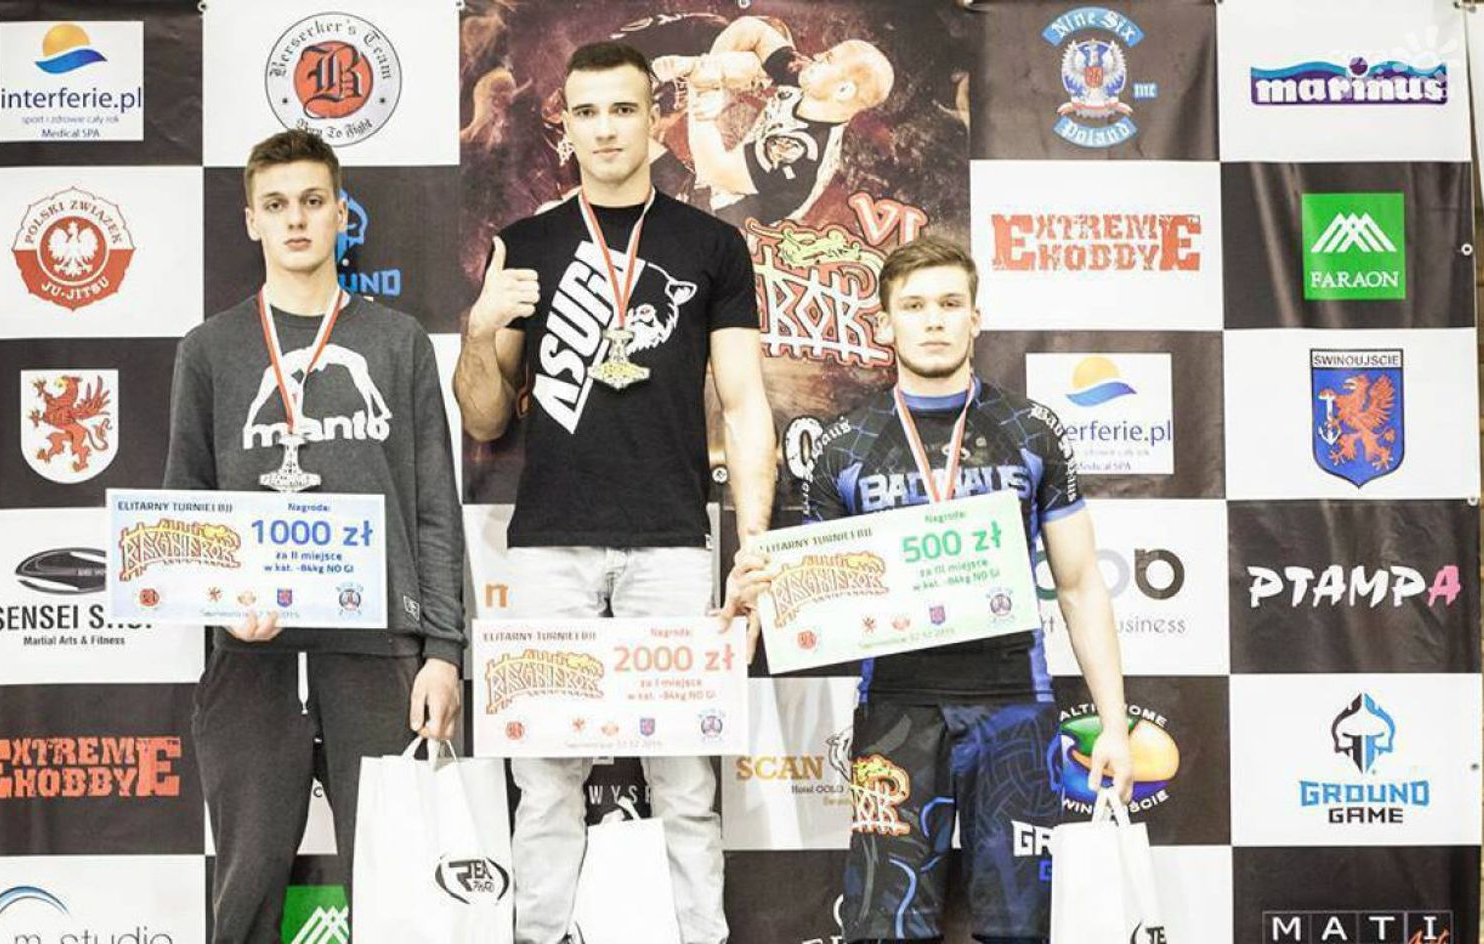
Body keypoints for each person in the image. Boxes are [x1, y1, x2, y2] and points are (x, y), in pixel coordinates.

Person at [452, 41, 775, 944]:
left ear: (655, 118)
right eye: (586, 112)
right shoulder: (526, 245)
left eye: (623, 109)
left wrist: (752, 547)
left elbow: (746, 405)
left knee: (685, 778)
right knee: (545, 776)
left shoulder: (712, 245)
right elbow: (484, 417)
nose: (604, 129)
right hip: (550, 543)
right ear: (566, 124)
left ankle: (699, 936)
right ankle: (538, 936)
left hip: (672, 540)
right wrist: (479, 330)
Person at [733, 236, 1134, 943]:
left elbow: (1079, 586)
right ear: (885, 324)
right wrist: (758, 590)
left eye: (950, 304)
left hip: (1014, 707)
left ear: (976, 318)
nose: (934, 321)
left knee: (1020, 929)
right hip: (896, 708)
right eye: (914, 306)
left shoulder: (1031, 431)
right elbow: (810, 594)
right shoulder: (845, 445)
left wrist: (1113, 724)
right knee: (886, 928)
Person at [164, 129, 464, 942]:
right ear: (251, 220)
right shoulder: (210, 350)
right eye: (275, 204)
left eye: (311, 201)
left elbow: (434, 508)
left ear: (340, 214)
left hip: (380, 655)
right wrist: (223, 605)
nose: (295, 219)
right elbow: (184, 508)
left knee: (399, 897)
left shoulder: (397, 342)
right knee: (245, 896)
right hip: (252, 658)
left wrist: (443, 652)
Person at [650, 15, 894, 225]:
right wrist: (713, 74)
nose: (817, 55)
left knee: (630, 134)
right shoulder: (811, 83)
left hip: (714, 225)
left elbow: (714, 171)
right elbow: (750, 29)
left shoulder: (799, 154)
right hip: (706, 191)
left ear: (843, 91)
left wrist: (700, 87)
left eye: (828, 59)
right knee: (753, 62)